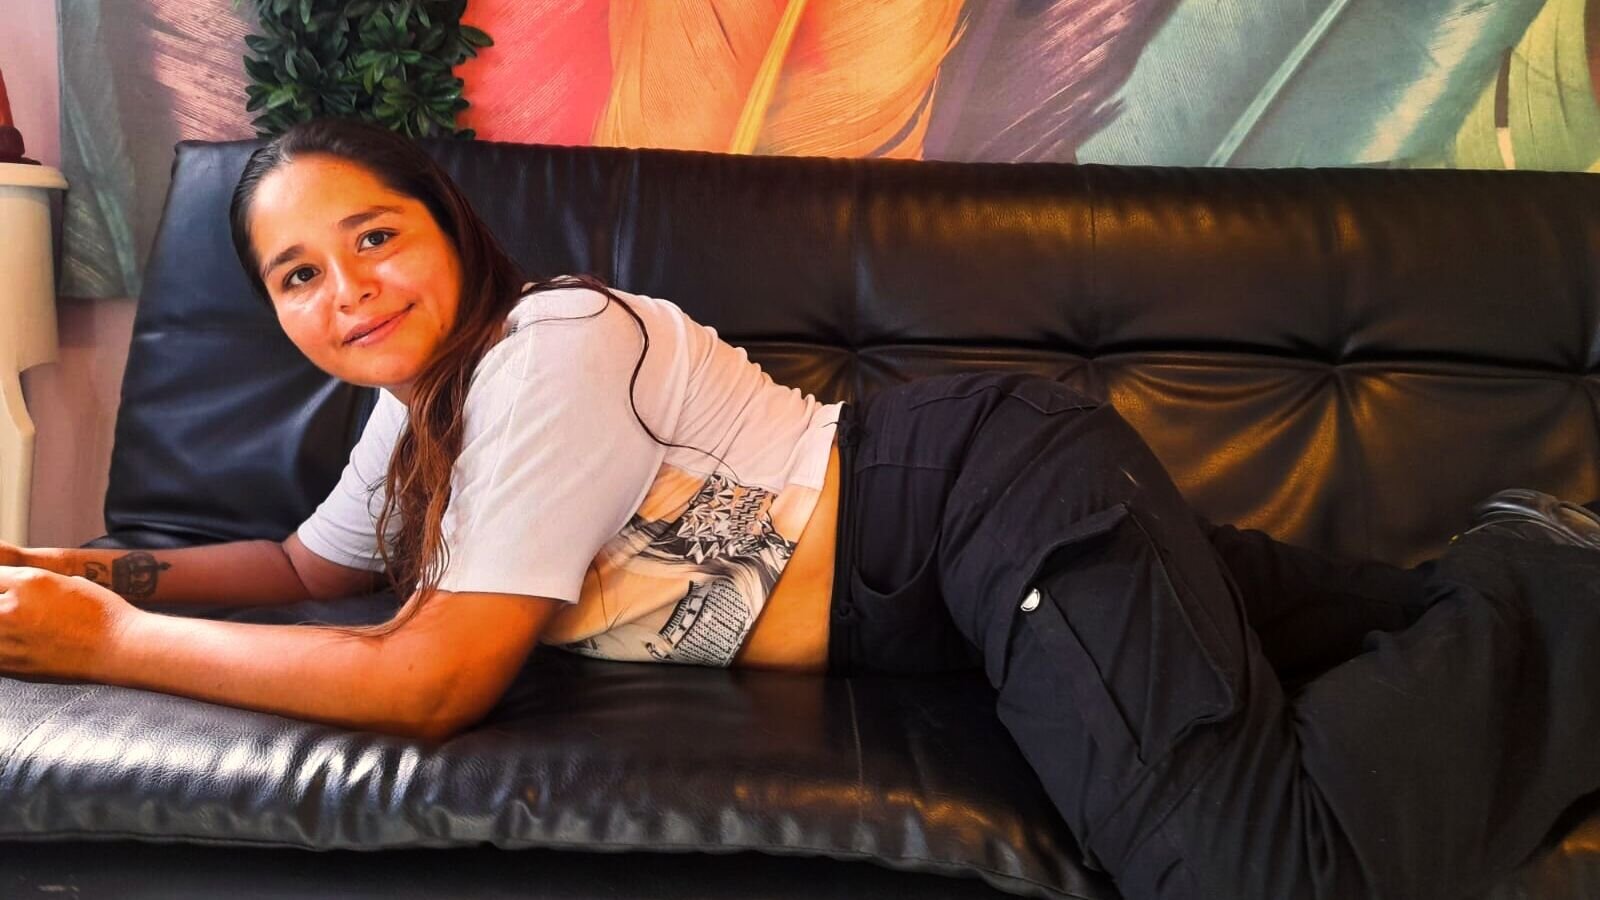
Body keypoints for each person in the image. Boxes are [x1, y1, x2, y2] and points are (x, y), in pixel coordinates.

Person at [2, 117, 1599, 900]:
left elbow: (432, 678)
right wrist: (66, 563)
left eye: (375, 238)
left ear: (450, 233)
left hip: (970, 497)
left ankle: (1546, 570)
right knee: (1388, 623)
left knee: (1249, 876)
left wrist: (109, 642)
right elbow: (301, 568)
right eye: (297, 274)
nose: (346, 291)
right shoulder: (410, 414)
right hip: (943, 604)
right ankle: (1511, 579)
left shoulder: (548, 343)